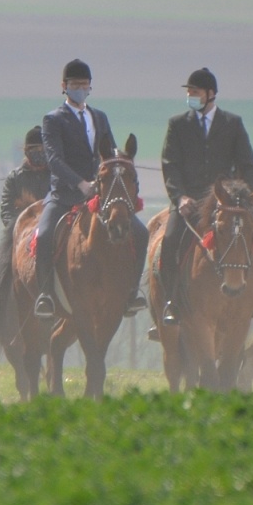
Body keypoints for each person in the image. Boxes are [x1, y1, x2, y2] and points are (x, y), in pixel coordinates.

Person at [154, 67, 253, 340]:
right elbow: (170, 165)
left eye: (195, 92)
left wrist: (241, 197)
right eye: (189, 92)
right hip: (189, 204)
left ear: (211, 94)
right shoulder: (177, 125)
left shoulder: (232, 124)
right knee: (169, 242)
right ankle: (172, 303)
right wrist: (180, 197)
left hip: (227, 203)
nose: (190, 96)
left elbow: (248, 164)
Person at [32, 59, 149, 321]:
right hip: (65, 193)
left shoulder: (100, 117)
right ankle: (45, 295)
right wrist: (81, 183)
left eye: (84, 85)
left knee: (140, 233)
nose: (80, 89)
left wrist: (115, 173)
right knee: (44, 235)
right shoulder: (53, 119)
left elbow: (109, 154)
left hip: (100, 194)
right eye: (75, 85)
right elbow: (54, 160)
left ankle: (132, 292)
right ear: (64, 87)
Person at [0, 126, 51, 228]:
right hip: (23, 229)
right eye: (36, 149)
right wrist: (17, 230)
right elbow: (7, 210)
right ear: (27, 151)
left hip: (51, 226)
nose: (40, 152)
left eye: (43, 149)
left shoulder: (56, 176)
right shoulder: (14, 178)